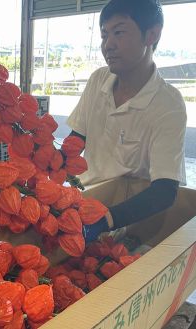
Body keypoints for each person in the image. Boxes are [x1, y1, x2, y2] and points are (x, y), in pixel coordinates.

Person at [66, 0, 187, 243]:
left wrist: (106, 220)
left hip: (135, 218)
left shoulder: (168, 104)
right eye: (104, 35)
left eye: (119, 32)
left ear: (151, 34)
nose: (108, 45)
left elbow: (164, 191)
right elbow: (75, 141)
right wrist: (48, 160)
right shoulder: (98, 80)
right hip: (87, 204)